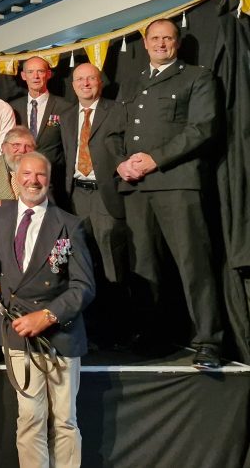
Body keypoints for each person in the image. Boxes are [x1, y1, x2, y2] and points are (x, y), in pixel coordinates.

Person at [111, 18, 223, 369]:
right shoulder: (133, 82)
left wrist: (154, 159)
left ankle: (209, 341)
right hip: (137, 188)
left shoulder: (197, 76)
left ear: (177, 43)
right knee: (145, 267)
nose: (161, 43)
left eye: (168, 38)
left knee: (194, 265)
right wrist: (120, 164)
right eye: (155, 38)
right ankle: (152, 335)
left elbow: (202, 128)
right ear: (145, 43)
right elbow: (113, 132)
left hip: (177, 184)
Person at [0, 152, 95, 468]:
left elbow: (84, 287)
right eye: (27, 174)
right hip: (18, 333)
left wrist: (47, 316)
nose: (33, 181)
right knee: (30, 417)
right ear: (15, 180)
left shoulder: (69, 224)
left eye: (40, 175)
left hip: (62, 334)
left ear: (49, 180)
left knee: (64, 420)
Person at [61, 63, 129, 346]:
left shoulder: (118, 110)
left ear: (99, 82)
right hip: (75, 196)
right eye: (79, 79)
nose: (85, 83)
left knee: (111, 262)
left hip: (105, 195)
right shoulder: (65, 116)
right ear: (73, 85)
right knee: (81, 262)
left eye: (91, 78)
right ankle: (89, 328)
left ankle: (116, 330)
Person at [11, 56, 73, 166]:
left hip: (54, 176)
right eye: (30, 72)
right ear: (23, 76)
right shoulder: (13, 108)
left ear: (48, 74)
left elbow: (71, 146)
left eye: (40, 71)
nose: (36, 76)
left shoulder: (65, 107)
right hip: (21, 175)